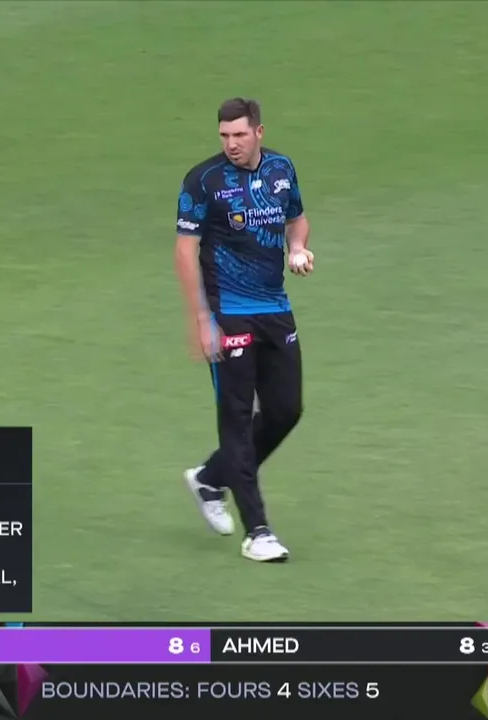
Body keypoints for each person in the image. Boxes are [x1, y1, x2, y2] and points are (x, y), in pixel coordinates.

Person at [173, 97, 313, 562]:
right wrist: (201, 319)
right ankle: (258, 532)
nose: (231, 144)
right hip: (227, 311)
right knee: (235, 418)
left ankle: (210, 478)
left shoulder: (281, 169)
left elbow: (297, 219)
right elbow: (184, 251)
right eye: (224, 136)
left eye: (239, 135)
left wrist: (297, 248)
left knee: (285, 410)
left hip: (275, 307)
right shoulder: (204, 181)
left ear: (258, 132)